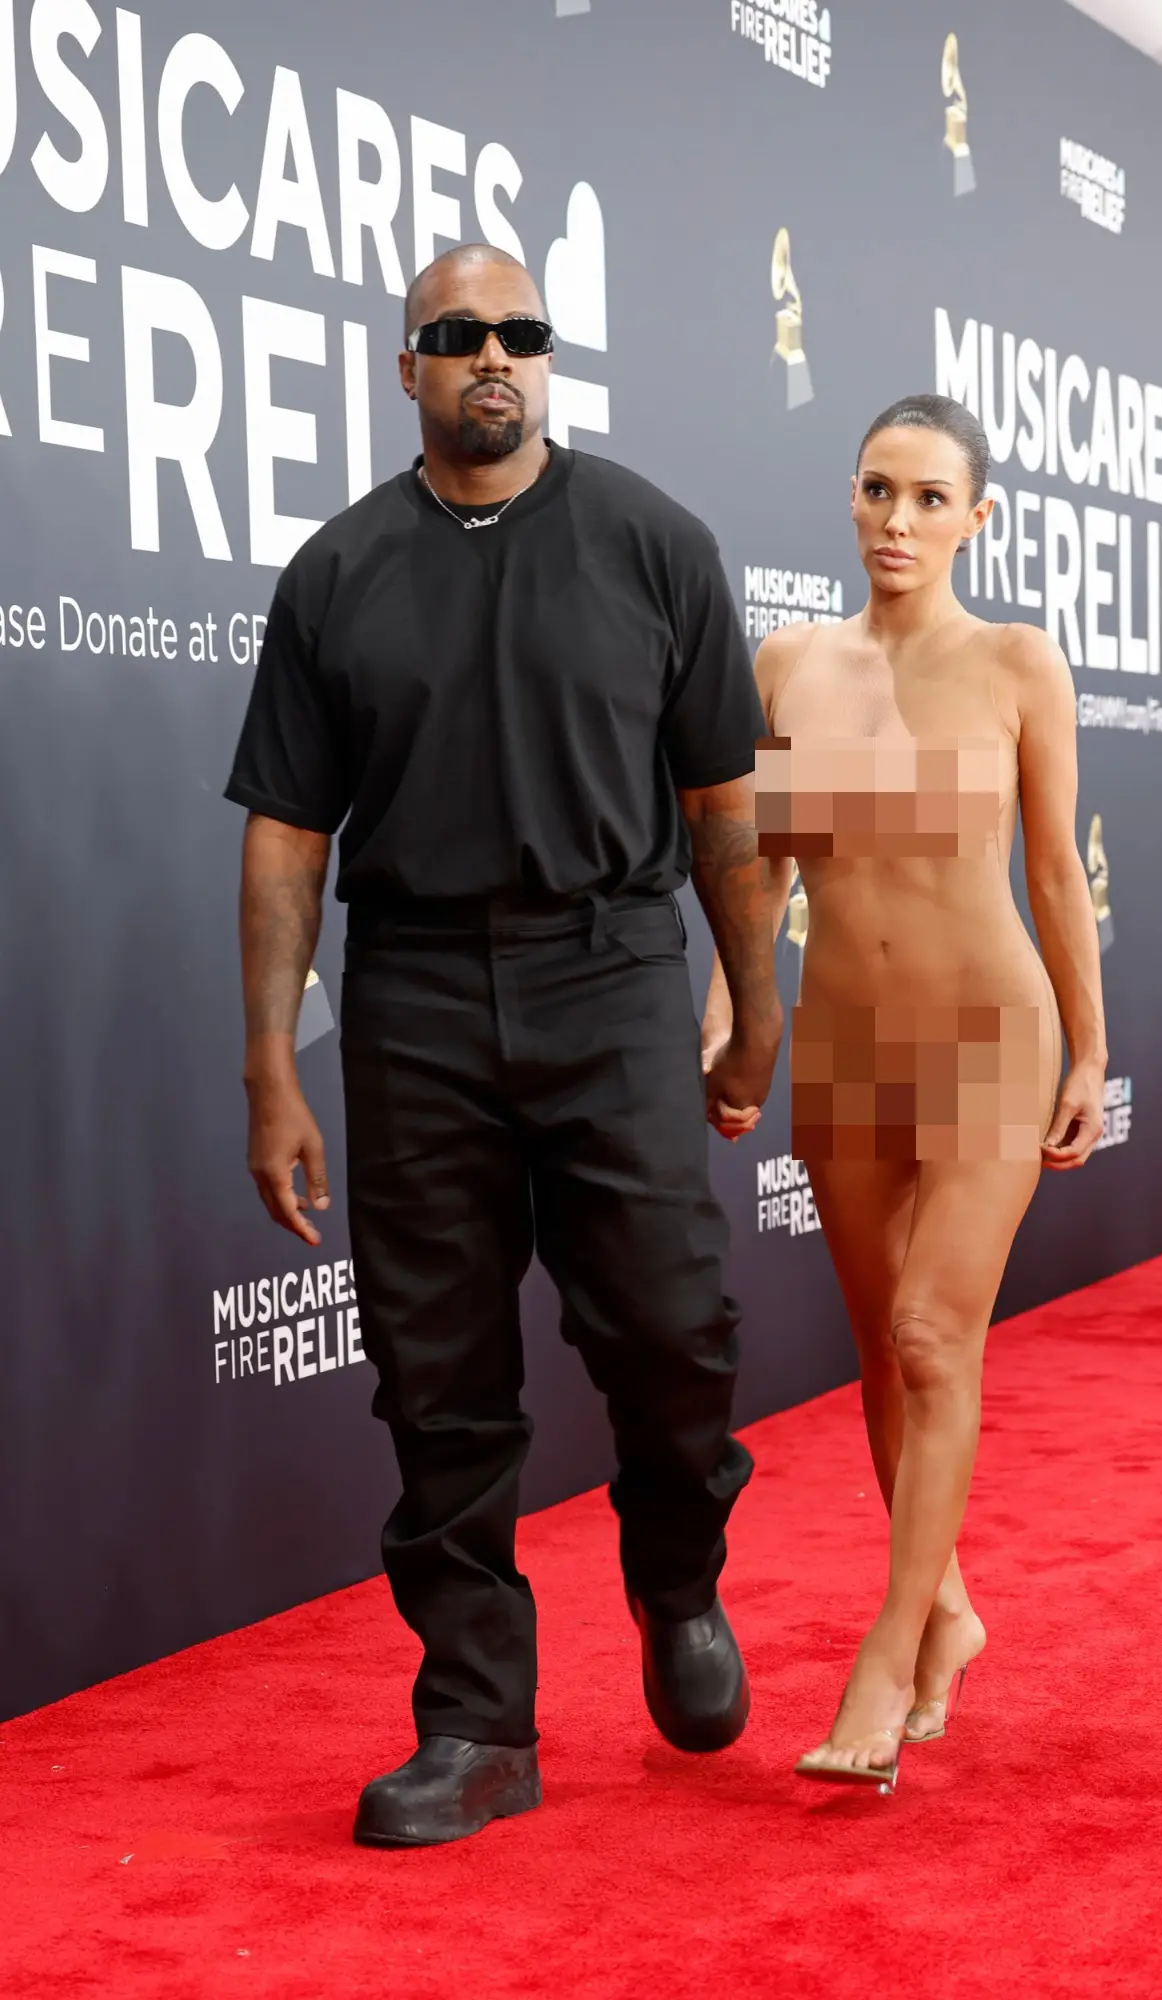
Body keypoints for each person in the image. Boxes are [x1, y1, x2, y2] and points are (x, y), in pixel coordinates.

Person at [224, 244, 783, 1847]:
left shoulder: (655, 544)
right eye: (457, 333)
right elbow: (286, 840)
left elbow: (724, 807)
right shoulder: (337, 572)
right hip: (411, 997)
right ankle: (476, 1723)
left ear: (548, 359)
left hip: (612, 972)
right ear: (406, 366)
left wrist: (756, 1010)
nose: (492, 354)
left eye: (519, 332)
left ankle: (675, 1573)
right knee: (437, 1376)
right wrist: (270, 1065)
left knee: (673, 1329)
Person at [702, 394, 1107, 1788]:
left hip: (991, 1031)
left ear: (976, 519)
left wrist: (1093, 1049)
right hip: (847, 1046)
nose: (899, 520)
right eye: (880, 489)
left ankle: (885, 1649)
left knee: (935, 1335)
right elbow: (765, 872)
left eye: (932, 498)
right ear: (851, 495)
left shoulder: (1015, 661)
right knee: (884, 1351)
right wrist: (734, 1021)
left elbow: (1053, 870)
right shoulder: (790, 663)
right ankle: (948, 1611)